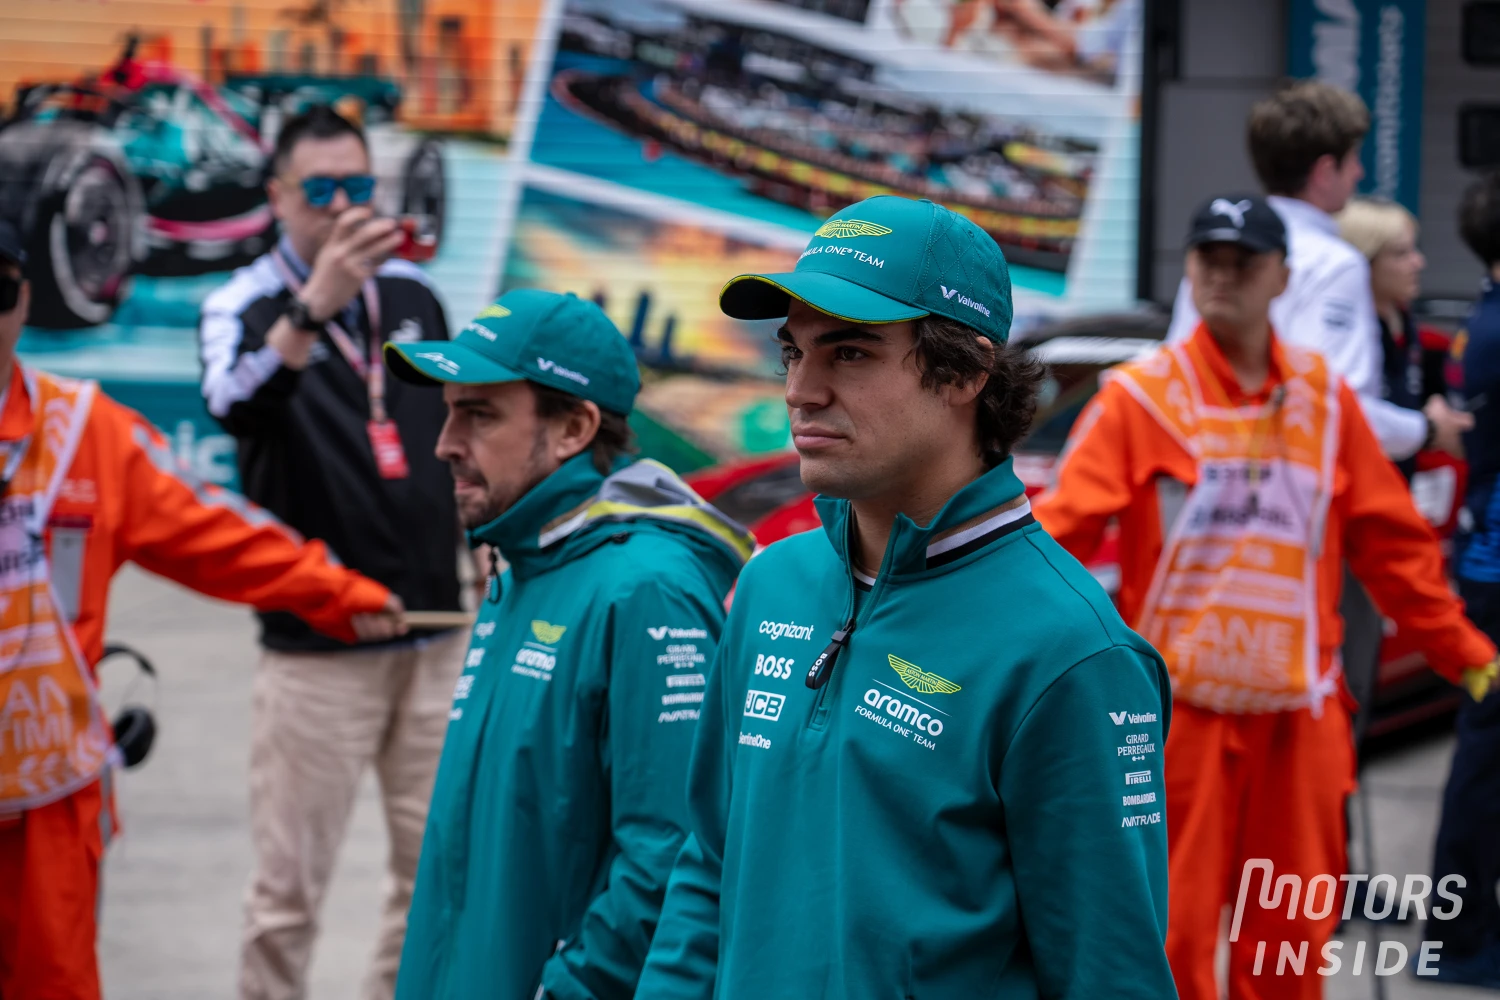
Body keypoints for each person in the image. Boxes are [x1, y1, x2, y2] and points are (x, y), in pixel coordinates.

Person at [636, 195, 1177, 999]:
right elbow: (710, 872)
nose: (801, 390)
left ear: (965, 372)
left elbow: (1110, 976)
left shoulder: (1074, 654)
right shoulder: (768, 584)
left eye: (848, 353)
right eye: (793, 353)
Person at [1035, 194, 1498, 1000]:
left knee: (1289, 937)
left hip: (1299, 716)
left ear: (1284, 275)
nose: (1223, 275)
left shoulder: (1322, 401)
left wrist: (1466, 654)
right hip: (1178, 720)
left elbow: (1390, 545)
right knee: (1170, 933)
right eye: (1208, 258)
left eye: (1244, 260)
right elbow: (1055, 541)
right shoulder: (1143, 400)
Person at [0, 220, 405, 1000]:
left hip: (47, 811)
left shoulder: (82, 433)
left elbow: (216, 530)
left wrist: (342, 596)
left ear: (25, 299)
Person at [384, 289, 755, 1000]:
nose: (445, 443)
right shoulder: (524, 557)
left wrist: (571, 990)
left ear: (573, 428)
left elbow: (672, 855)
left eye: (479, 413)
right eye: (450, 408)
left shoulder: (647, 588)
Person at [196, 105, 466, 1000]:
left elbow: (458, 437)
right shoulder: (246, 303)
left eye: (360, 187)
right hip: (319, 646)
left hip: (435, 634)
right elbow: (235, 404)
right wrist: (314, 308)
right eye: (323, 191)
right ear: (278, 196)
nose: (345, 207)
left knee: (432, 879)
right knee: (286, 897)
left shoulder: (417, 298)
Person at [1166, 81, 1471, 462]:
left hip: (1205, 467)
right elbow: (1335, 404)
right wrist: (1425, 429)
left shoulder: (1218, 250)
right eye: (1354, 159)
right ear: (1326, 171)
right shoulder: (1334, 264)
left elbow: (1177, 378)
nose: (1359, 172)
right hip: (1286, 483)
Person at [1428, 171, 1500, 988]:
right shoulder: (1493, 329)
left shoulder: (1481, 323)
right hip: (1492, 572)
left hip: (1485, 563)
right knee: (1485, 755)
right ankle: (1456, 936)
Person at [1336, 196, 1451, 480]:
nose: (1418, 262)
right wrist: (1428, 427)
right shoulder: (1345, 334)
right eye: (1401, 253)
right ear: (1363, 261)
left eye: (1415, 250)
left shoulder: (1404, 320)